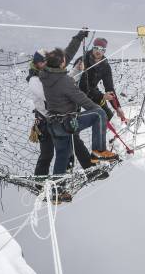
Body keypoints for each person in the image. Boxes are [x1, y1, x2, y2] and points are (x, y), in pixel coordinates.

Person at [26, 32, 108, 179]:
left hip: (59, 118)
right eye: (43, 61)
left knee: (74, 145)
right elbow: (56, 90)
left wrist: (78, 39)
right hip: (46, 121)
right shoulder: (35, 80)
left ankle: (88, 172)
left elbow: (67, 56)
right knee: (47, 154)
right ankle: (40, 184)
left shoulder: (50, 73)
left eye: (47, 60)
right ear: (37, 63)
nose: (46, 63)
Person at [40, 48, 118, 175]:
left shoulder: (46, 76)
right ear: (61, 63)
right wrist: (98, 108)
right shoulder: (63, 81)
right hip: (66, 123)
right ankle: (99, 151)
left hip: (53, 124)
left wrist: (77, 70)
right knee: (99, 114)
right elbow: (81, 99)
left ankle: (58, 189)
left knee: (62, 155)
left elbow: (65, 82)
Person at [78, 37, 127, 123]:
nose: (98, 51)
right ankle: (76, 136)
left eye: (101, 49)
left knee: (108, 116)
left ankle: (108, 134)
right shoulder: (82, 61)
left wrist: (117, 107)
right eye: (96, 48)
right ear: (92, 48)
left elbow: (109, 88)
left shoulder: (105, 66)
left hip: (93, 93)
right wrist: (102, 96)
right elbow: (82, 86)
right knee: (74, 121)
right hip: (76, 93)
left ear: (104, 51)